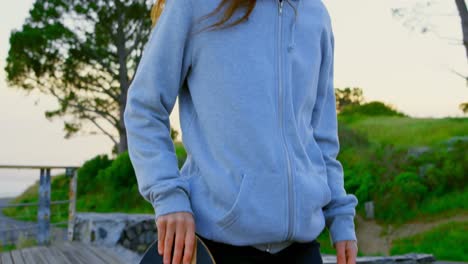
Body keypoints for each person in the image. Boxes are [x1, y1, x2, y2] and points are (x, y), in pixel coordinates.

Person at [124, 0, 359, 263]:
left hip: (301, 249)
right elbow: (144, 108)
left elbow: (321, 136)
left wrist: (340, 214)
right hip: (217, 248)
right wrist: (168, 195)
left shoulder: (315, 14)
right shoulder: (194, 6)